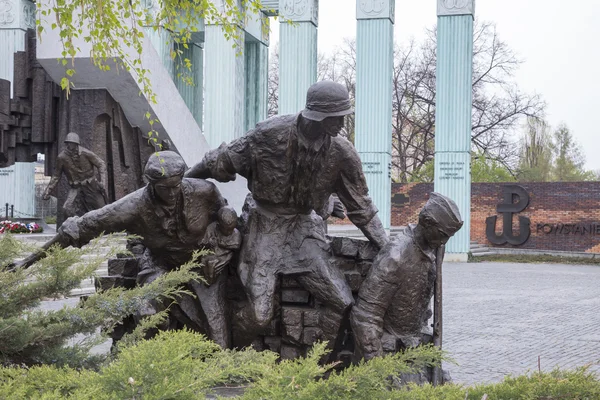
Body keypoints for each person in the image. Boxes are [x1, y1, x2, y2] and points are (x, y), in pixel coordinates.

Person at [185, 80, 389, 348]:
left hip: (304, 230)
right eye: (336, 117)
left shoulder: (342, 153)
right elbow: (221, 161)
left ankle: (315, 367)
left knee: (342, 301)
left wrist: (388, 248)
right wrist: (184, 181)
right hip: (265, 226)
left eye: (343, 117)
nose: (341, 124)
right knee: (259, 315)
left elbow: (362, 208)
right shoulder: (268, 134)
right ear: (318, 116)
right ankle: (228, 354)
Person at [45, 151, 231, 347]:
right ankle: (155, 364)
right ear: (150, 182)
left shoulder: (205, 191)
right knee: (147, 312)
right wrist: (27, 262)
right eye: (163, 188)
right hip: (159, 264)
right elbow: (79, 228)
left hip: (201, 265)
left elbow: (226, 222)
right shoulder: (133, 206)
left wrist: (219, 255)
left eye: (176, 186)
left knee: (218, 338)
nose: (171, 193)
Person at [350, 193, 463, 361]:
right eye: (442, 234)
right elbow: (364, 316)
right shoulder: (396, 257)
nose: (444, 242)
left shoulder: (434, 247)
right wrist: (378, 367)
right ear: (426, 222)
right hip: (388, 352)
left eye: (448, 236)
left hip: (415, 346)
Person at [43, 132, 107, 217]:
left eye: (73, 143)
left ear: (77, 144)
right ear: (67, 143)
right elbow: (56, 176)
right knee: (67, 209)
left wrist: (103, 181)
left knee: (102, 209)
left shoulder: (86, 153)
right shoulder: (61, 157)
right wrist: (48, 191)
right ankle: (75, 227)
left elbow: (101, 164)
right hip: (75, 187)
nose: (71, 145)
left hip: (90, 185)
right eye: (69, 143)